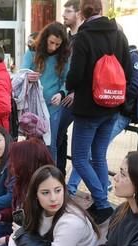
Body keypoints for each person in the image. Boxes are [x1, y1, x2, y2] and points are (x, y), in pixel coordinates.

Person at [66, 0, 131, 225]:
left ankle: (102, 203)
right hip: (112, 107)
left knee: (80, 158)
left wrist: (71, 86)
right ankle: (100, 201)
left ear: (82, 12)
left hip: (88, 109)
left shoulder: (84, 37)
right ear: (102, 10)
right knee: (99, 156)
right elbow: (128, 72)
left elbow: (75, 76)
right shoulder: (119, 35)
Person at [67, 43, 138, 195]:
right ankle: (96, 189)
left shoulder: (132, 57)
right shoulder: (117, 56)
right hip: (110, 111)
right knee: (91, 154)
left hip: (120, 113)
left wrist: (113, 94)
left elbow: (137, 87)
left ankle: (78, 188)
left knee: (89, 154)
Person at [22, 22, 70, 163]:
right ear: (45, 38)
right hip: (33, 105)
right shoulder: (32, 52)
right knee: (32, 142)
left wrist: (62, 93)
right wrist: (28, 76)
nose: (53, 47)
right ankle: (31, 174)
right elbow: (22, 73)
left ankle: (50, 175)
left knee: (50, 144)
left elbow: (66, 80)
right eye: (51, 42)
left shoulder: (64, 56)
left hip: (53, 106)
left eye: (57, 44)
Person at [55, 0, 84, 174]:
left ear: (79, 13)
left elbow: (87, 69)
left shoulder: (83, 37)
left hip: (73, 95)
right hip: (61, 92)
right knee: (60, 133)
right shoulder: (66, 38)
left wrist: (76, 92)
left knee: (58, 133)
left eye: (68, 11)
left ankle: (58, 174)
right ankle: (59, 172)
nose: (64, 14)